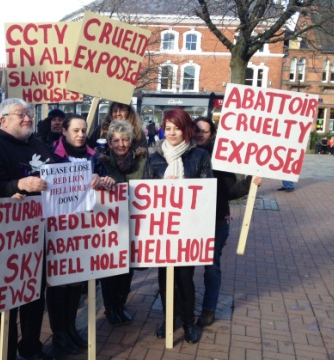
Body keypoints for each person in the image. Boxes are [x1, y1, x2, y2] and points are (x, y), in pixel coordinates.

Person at [0, 98, 53, 360]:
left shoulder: (37, 142)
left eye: (29, 114)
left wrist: (83, 176)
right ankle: (6, 354)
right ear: (4, 120)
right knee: (6, 302)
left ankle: (31, 346)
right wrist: (17, 185)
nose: (27, 119)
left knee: (34, 294)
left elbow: (59, 170)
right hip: (7, 241)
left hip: (37, 234)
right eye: (21, 115)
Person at [145, 108, 213, 344]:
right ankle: (169, 318)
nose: (172, 132)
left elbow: (206, 194)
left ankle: (188, 322)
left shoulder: (199, 156)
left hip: (189, 229)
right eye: (168, 127)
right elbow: (146, 195)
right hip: (163, 229)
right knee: (165, 278)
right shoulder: (154, 158)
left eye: (177, 127)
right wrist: (162, 187)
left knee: (185, 279)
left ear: (186, 129)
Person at [194, 117, 262, 328]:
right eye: (196, 130)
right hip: (187, 221)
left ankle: (208, 309)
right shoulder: (182, 153)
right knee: (182, 268)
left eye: (205, 132)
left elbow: (231, 191)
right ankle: (181, 307)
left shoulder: (221, 159)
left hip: (215, 220)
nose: (200, 135)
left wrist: (251, 181)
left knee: (211, 266)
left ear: (212, 135)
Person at [46, 113, 101, 357]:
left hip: (83, 230)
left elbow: (103, 185)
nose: (80, 135)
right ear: (64, 132)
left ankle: (70, 328)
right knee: (58, 285)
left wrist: (101, 180)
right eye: (75, 130)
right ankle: (59, 334)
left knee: (76, 283)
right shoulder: (50, 156)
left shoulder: (93, 157)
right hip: (57, 230)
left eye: (83, 130)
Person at [94, 120, 148, 326]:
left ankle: (120, 303)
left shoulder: (142, 159)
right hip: (109, 224)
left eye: (125, 139)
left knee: (128, 269)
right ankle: (110, 307)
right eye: (115, 140)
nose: (121, 144)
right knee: (110, 270)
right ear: (109, 142)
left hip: (135, 220)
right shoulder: (100, 161)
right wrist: (99, 180)